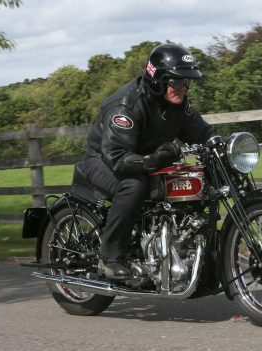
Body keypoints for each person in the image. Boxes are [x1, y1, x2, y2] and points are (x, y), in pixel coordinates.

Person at [83, 43, 212, 280]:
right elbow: (118, 156)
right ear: (158, 79)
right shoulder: (127, 105)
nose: (183, 87)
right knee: (134, 185)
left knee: (196, 179)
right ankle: (110, 256)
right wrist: (152, 160)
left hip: (143, 159)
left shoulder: (178, 104)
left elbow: (203, 134)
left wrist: (222, 145)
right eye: (176, 82)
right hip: (103, 159)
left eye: (186, 81)